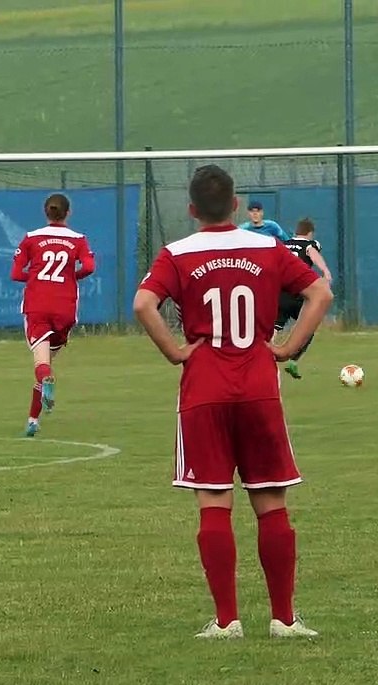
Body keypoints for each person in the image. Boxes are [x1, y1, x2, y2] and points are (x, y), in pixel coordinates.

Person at [133, 165, 332, 640]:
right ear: (237, 205)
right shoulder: (268, 247)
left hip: (205, 389)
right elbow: (319, 293)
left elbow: (143, 304)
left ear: (192, 209)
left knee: (214, 501)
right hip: (259, 386)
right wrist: (288, 347)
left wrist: (174, 351)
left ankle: (227, 621)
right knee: (271, 501)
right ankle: (284, 619)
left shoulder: (177, 253)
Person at [9, 193, 95, 437]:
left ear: (45, 212)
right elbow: (89, 267)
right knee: (46, 363)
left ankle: (45, 384)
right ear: (68, 213)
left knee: (42, 366)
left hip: (38, 305)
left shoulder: (31, 238)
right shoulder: (78, 239)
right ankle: (33, 421)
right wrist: (70, 277)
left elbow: (16, 273)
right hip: (65, 308)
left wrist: (36, 277)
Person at [276, 218, 334, 379]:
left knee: (272, 330)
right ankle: (293, 361)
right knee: (308, 326)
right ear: (310, 233)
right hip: (298, 294)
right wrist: (326, 272)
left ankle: (263, 361)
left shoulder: (284, 245)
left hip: (280, 294)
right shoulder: (309, 244)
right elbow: (312, 253)